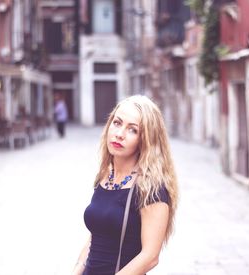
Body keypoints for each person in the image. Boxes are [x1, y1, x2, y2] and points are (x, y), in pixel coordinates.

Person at [73, 95, 178, 275]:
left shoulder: (152, 189)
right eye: (117, 123)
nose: (119, 134)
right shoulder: (105, 176)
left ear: (145, 139)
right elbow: (96, 236)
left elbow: (150, 257)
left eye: (132, 130)